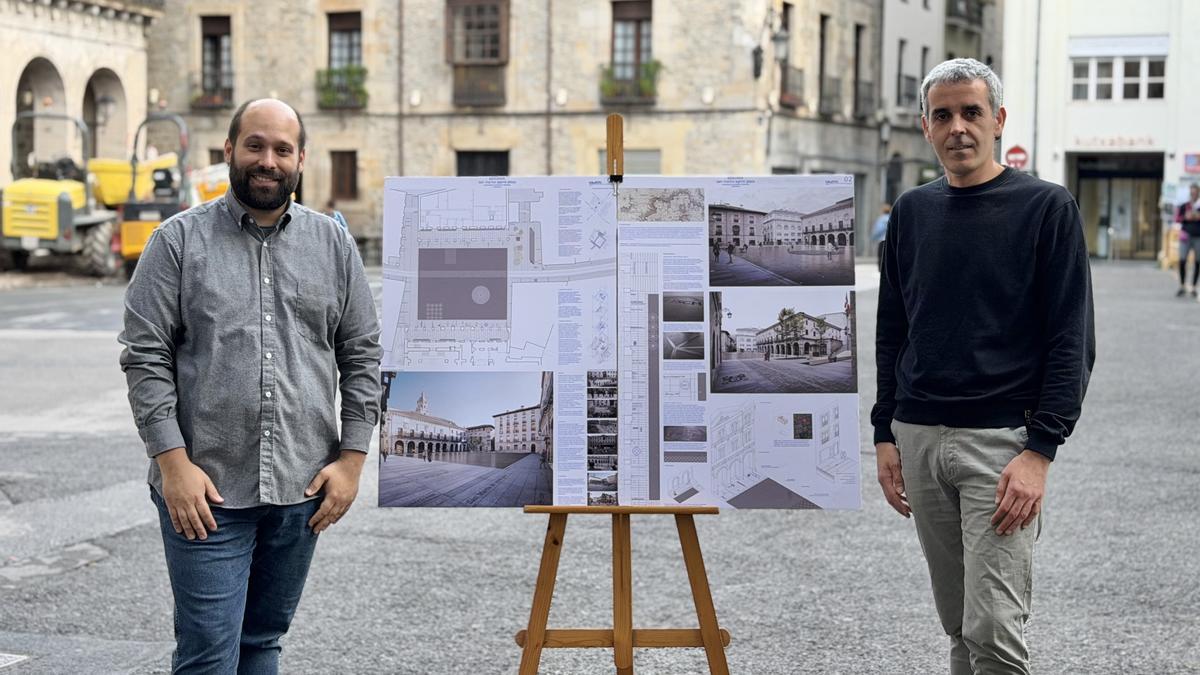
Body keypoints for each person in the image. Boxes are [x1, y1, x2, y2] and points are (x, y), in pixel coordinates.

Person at [119, 98, 382, 674]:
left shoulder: (334, 246)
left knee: (262, 642)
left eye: (282, 149)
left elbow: (361, 354)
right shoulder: (176, 242)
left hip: (302, 488)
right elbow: (145, 358)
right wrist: (172, 466)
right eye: (255, 145)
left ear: (300, 160)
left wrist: (353, 461)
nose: (268, 160)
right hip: (205, 492)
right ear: (229, 152)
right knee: (209, 655)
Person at [871, 59, 1095, 675]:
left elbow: (1071, 337)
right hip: (918, 438)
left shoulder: (1046, 208)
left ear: (998, 120)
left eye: (971, 112)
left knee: (994, 628)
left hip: (1001, 446)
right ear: (925, 127)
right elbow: (893, 328)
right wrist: (884, 433)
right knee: (960, 625)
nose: (958, 128)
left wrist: (1040, 450)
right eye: (943, 115)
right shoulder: (911, 213)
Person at [1176, 183, 1200, 298]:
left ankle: (1194, 287)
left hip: (1198, 237)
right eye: (1192, 192)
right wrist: (1185, 217)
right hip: (1186, 236)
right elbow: (1177, 218)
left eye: (1195, 192)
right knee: (1182, 260)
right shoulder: (1185, 206)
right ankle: (1182, 285)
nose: (1193, 194)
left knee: (1197, 261)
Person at [871, 204, 892, 272]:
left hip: (882, 240)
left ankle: (881, 270)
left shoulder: (881, 219)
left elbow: (878, 230)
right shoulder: (892, 218)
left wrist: (873, 238)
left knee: (881, 256)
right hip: (890, 241)